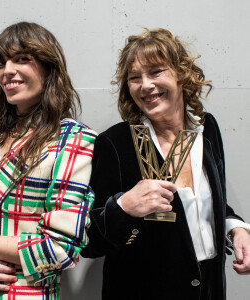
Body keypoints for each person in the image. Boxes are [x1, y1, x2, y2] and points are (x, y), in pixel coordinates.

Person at [81, 28, 250, 300]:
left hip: (209, 290)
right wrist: (124, 207)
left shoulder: (206, 129)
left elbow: (211, 203)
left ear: (182, 74)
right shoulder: (116, 142)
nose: (145, 85)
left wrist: (236, 228)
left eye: (156, 72)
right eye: (134, 78)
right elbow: (86, 240)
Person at [0, 22, 97, 299]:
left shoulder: (74, 139)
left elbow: (60, 248)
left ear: (48, 68)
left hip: (20, 292)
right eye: (1, 62)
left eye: (22, 59)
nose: (7, 71)